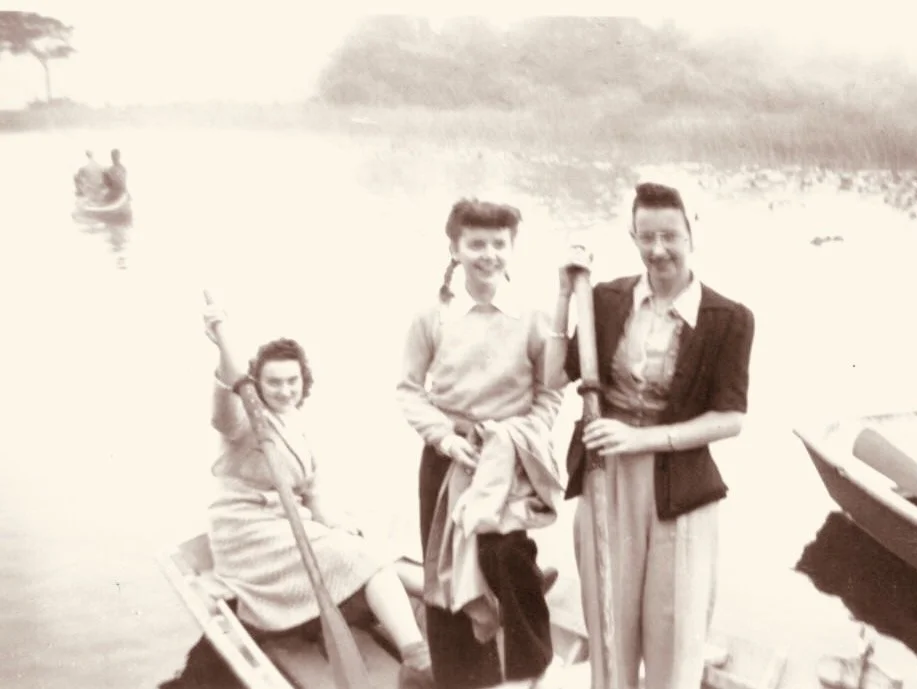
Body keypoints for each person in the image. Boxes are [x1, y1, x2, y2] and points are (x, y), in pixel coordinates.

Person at [544, 181, 756, 689]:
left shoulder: (729, 318)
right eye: (646, 237)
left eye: (670, 235)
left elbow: (730, 419)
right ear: (633, 237)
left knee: (673, 629)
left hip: (679, 491)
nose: (658, 249)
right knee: (609, 624)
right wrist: (561, 297)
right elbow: (554, 378)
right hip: (606, 480)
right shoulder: (606, 299)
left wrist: (642, 440)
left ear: (691, 233)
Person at [201, 304, 433, 686]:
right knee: (364, 560)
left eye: (292, 381)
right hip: (247, 535)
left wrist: (341, 526)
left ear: (304, 381)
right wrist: (223, 341)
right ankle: (416, 656)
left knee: (370, 542)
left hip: (292, 525)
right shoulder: (245, 419)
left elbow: (315, 497)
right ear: (256, 383)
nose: (284, 390)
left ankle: (471, 599)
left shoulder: (299, 428)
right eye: (273, 382)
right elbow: (226, 394)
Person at [396, 198, 565, 689]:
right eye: (476, 244)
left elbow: (550, 392)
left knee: (508, 556)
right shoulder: (432, 315)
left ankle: (530, 672)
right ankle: (459, 679)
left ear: (513, 248)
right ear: (455, 248)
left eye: (498, 244)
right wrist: (445, 439)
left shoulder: (533, 316)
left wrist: (520, 436)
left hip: (509, 458)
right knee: (444, 573)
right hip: (448, 457)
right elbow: (409, 390)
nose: (488, 254)